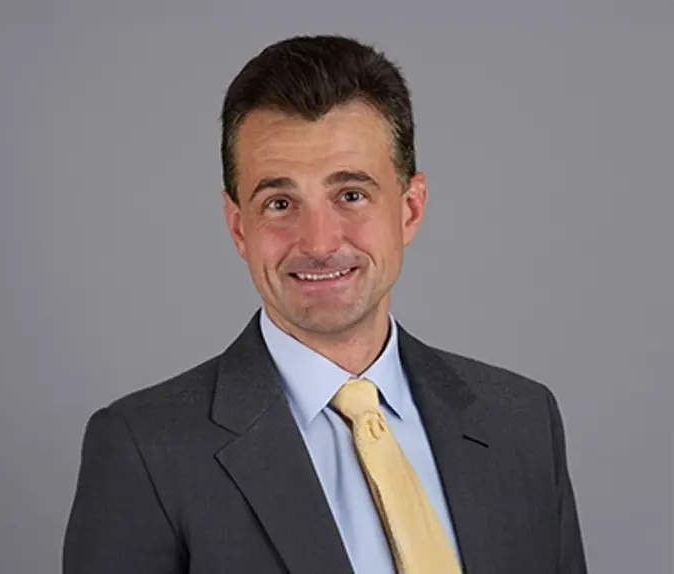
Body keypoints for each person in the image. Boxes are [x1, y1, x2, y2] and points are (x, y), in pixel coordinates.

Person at [62, 35, 587, 574]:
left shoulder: (522, 422)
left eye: (351, 195)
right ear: (239, 227)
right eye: (280, 203)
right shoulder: (144, 450)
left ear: (409, 209)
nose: (318, 241)